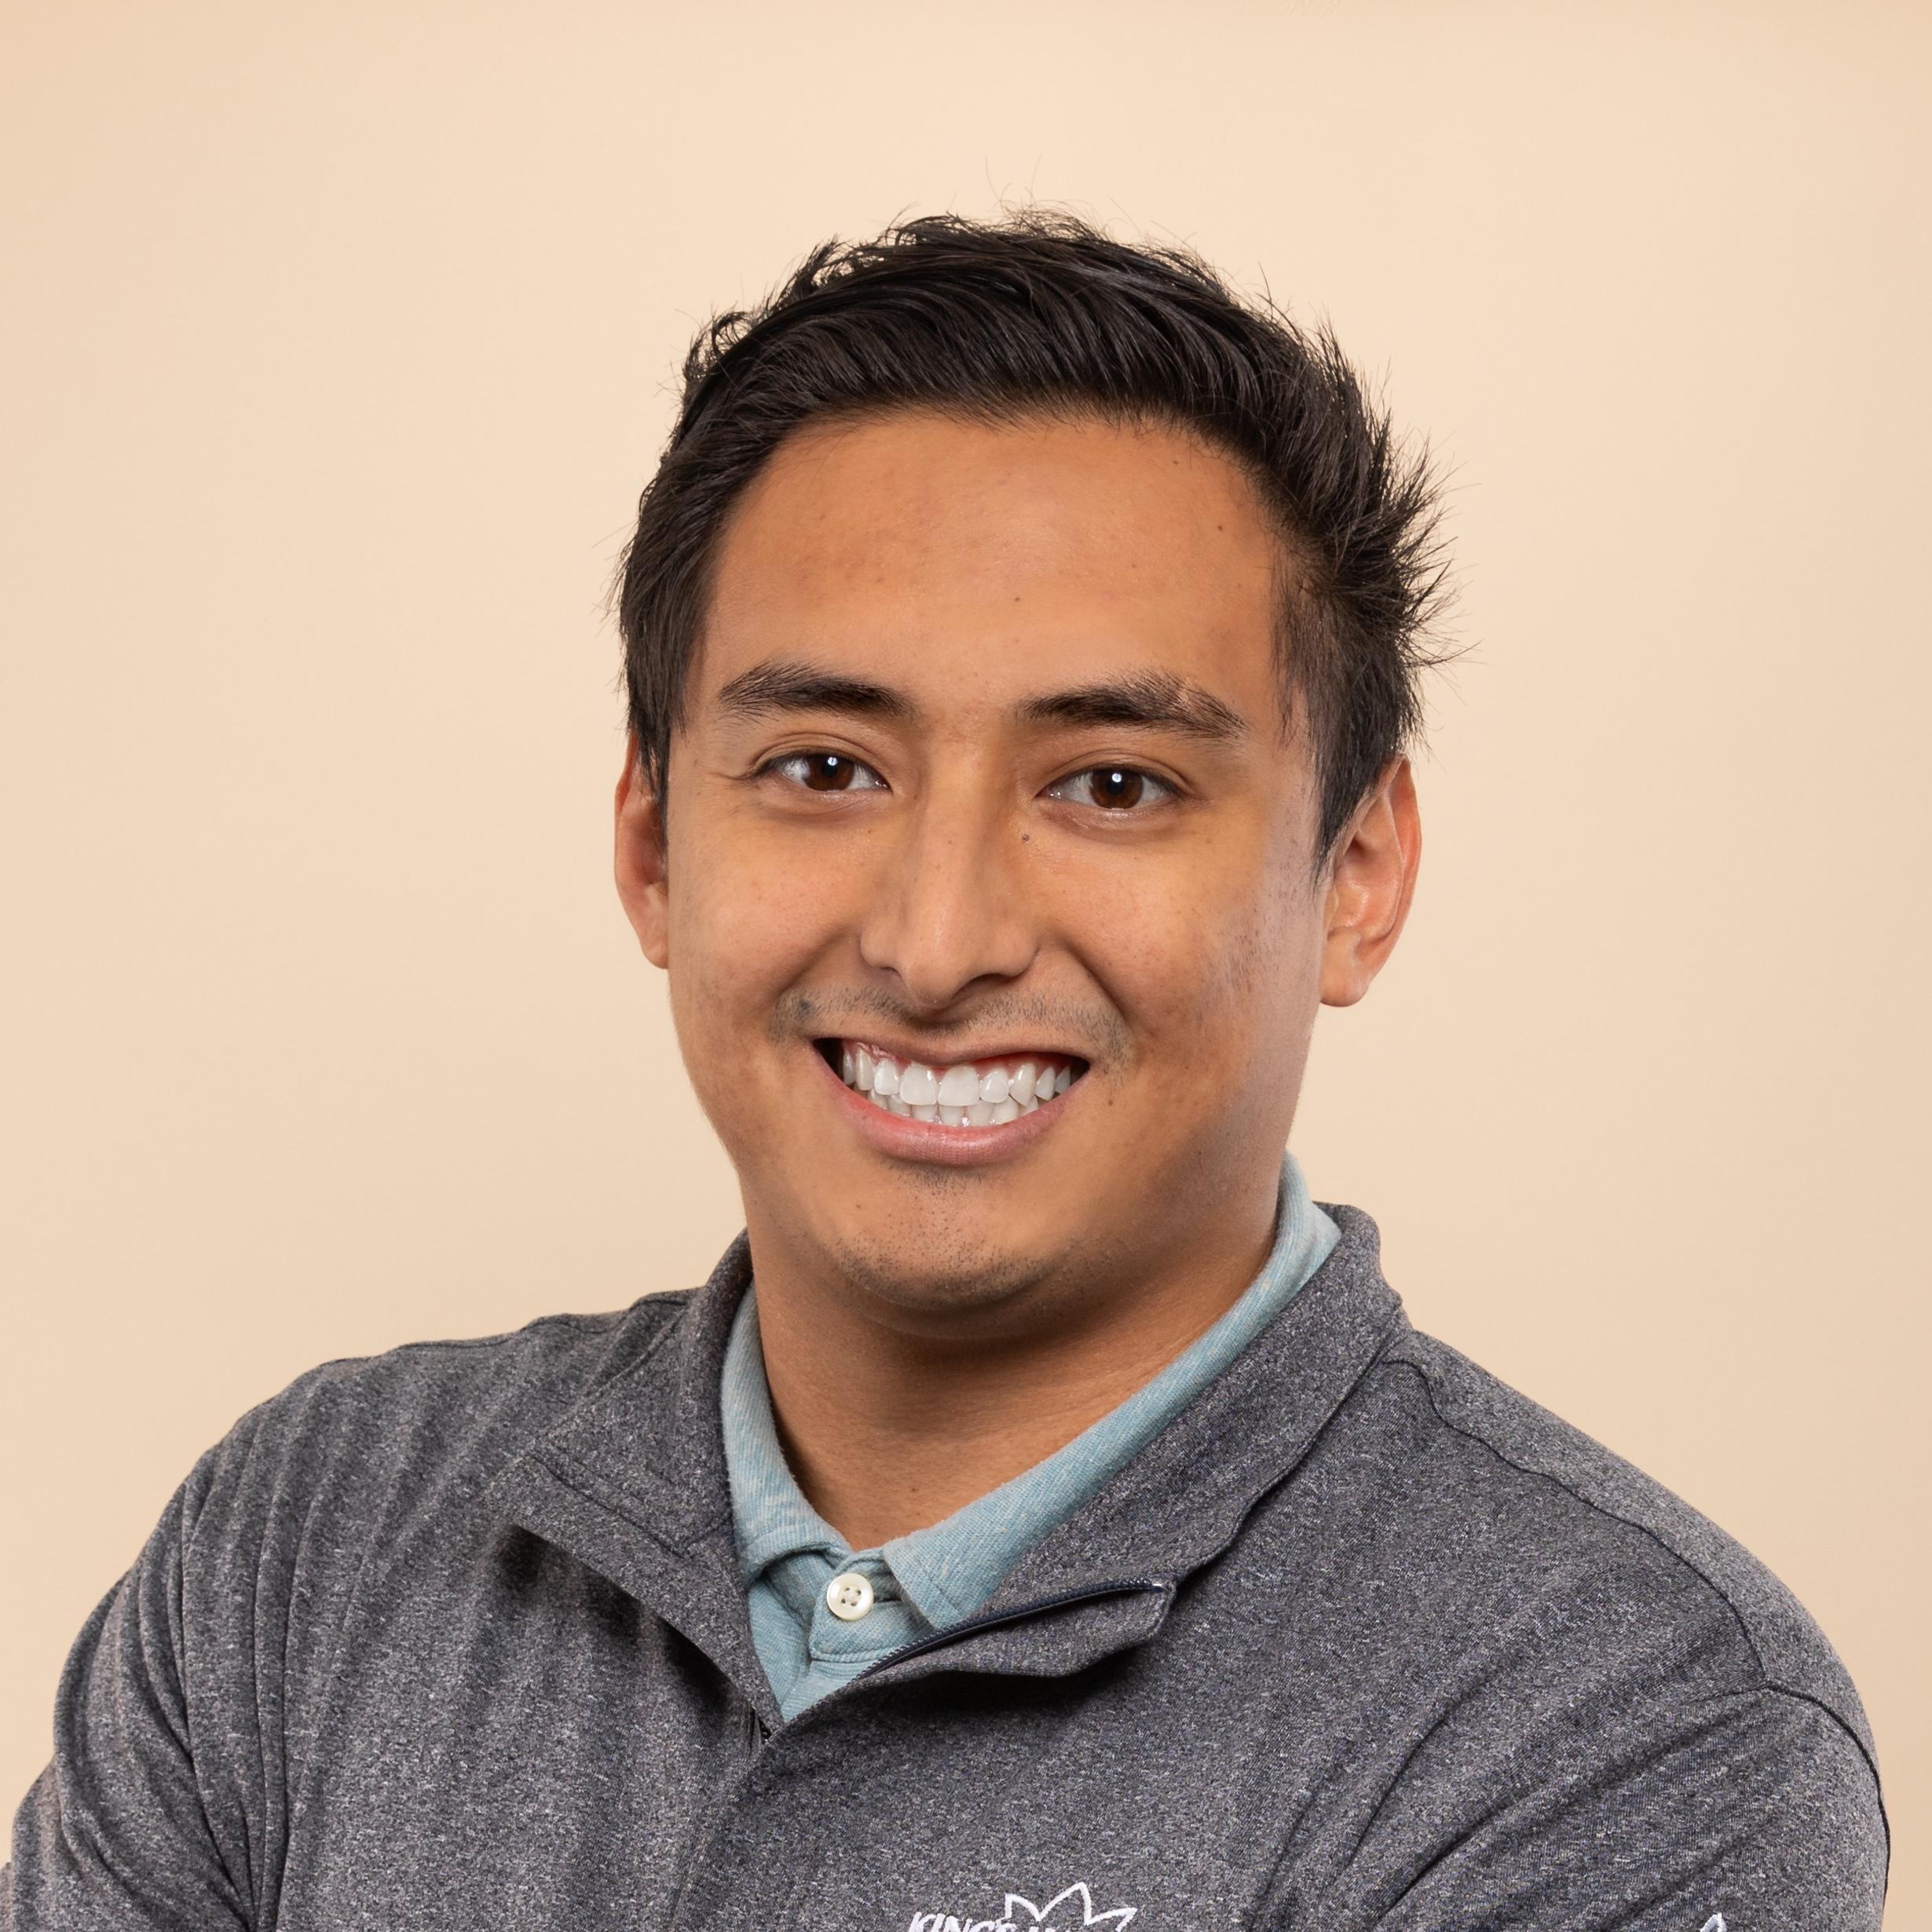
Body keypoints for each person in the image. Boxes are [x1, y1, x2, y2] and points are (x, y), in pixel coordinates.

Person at [2, 212, 1887, 1930]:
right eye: (825, 769)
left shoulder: (1637, 1734)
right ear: (653, 847)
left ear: (1360, 875)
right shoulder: (307, 1539)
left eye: (1113, 785)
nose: (936, 939)